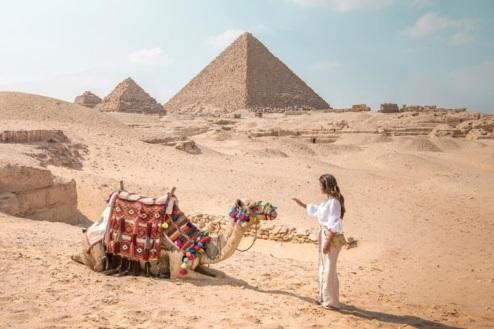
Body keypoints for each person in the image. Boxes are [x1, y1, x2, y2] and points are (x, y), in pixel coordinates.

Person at [292, 174, 346, 310]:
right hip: (325, 235)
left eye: (321, 185)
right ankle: (325, 298)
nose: (319, 187)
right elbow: (318, 211)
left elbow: (335, 223)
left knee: (329, 269)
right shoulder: (328, 201)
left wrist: (327, 242)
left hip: (330, 237)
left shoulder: (334, 202)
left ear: (326, 186)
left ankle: (331, 302)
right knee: (324, 267)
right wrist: (303, 205)